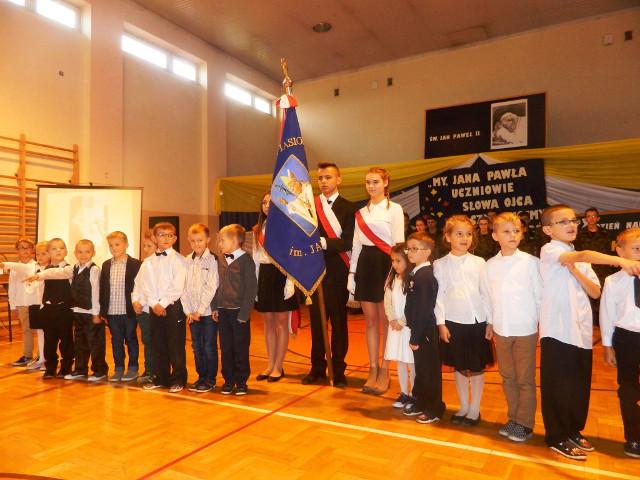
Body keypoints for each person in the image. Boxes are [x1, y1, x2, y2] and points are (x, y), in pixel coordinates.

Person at [539, 204, 640, 460]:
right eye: (563, 221)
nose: (571, 225)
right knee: (558, 385)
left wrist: (575, 271)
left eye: (573, 220)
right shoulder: (551, 250)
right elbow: (583, 255)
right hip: (558, 330)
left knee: (578, 385)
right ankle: (557, 436)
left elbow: (595, 291)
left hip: (581, 332)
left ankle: (572, 430)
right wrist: (620, 260)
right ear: (548, 230)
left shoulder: (577, 258)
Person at [481, 212, 541, 442]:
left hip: (525, 328)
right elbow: (487, 296)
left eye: (516, 231)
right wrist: (490, 321)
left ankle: (525, 423)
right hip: (501, 329)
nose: (513, 235)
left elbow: (540, 296)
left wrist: (540, 324)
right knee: (507, 377)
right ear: (495, 236)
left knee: (524, 378)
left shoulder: (531, 263)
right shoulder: (489, 266)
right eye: (506, 231)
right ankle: (513, 418)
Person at [349, 167, 404, 395]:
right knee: (370, 321)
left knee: (385, 320)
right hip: (365, 264)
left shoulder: (395, 209)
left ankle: (385, 369)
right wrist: (351, 274)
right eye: (368, 182)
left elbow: (398, 244)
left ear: (385, 183)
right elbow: (356, 245)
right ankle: (372, 369)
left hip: (386, 264)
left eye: (375, 182)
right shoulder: (361, 213)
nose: (371, 186)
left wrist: (397, 273)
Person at [434, 215, 492, 427]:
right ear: (448, 237)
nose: (465, 238)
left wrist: (490, 321)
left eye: (468, 234)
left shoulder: (479, 263)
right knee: (458, 366)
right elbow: (438, 296)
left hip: (477, 322)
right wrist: (441, 323)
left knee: (476, 366)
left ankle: (475, 409)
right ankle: (464, 406)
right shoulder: (440, 264)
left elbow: (486, 293)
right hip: (453, 322)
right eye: (459, 234)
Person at [303, 162, 355, 387]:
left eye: (328, 177)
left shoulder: (349, 208)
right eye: (320, 178)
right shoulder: (310, 208)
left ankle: (338, 369)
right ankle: (317, 368)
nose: (323, 181)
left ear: (338, 180)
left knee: (338, 323)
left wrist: (322, 242)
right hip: (314, 272)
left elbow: (347, 242)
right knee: (316, 323)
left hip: (338, 272)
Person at [34, 239, 106, 382]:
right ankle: (80, 369)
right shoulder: (74, 268)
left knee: (94, 343)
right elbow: (55, 273)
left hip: (89, 312)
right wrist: (39, 276)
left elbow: (96, 291)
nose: (83, 255)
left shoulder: (93, 269)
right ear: (75, 253)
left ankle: (99, 370)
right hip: (76, 311)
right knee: (79, 343)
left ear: (93, 253)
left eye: (87, 252)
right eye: (80, 252)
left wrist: (96, 312)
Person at [599, 227, 640, 458]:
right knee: (628, 388)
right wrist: (607, 345)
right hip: (627, 339)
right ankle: (634, 436)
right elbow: (607, 313)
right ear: (620, 252)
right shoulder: (613, 281)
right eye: (636, 249)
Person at [135, 222, 188, 393]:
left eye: (169, 235)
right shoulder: (148, 262)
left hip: (172, 306)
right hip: (154, 307)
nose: (166, 238)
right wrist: (153, 304)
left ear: (175, 238)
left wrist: (163, 303)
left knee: (175, 344)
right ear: (154, 238)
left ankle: (178, 379)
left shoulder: (179, 260)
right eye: (161, 235)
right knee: (157, 344)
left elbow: (177, 286)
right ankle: (161, 378)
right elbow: (143, 284)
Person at [253, 193, 297, 384]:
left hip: (282, 275)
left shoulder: (287, 228)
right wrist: (255, 284)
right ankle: (270, 364)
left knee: (281, 323)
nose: (266, 205)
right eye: (263, 202)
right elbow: (256, 259)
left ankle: (279, 366)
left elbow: (292, 257)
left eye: (270, 202)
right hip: (264, 274)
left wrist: (290, 282)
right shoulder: (258, 229)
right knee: (268, 323)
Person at [403, 233, 446, 424]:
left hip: (425, 331)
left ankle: (434, 408)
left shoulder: (426, 276)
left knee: (429, 371)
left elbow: (424, 309)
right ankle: (421, 401)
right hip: (419, 329)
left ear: (427, 252)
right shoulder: (417, 273)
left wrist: (415, 337)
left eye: (415, 249)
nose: (410, 252)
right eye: (409, 248)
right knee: (421, 369)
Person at [211, 224, 258, 396]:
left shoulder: (246, 261)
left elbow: (251, 288)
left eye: (222, 240)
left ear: (236, 241)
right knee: (226, 348)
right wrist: (215, 306)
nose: (219, 244)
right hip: (223, 311)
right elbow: (216, 285)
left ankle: (241, 381)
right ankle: (229, 380)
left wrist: (244, 313)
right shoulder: (220, 259)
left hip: (239, 313)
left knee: (240, 348)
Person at [100, 231, 142, 383]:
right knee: (116, 341)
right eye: (111, 245)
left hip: (129, 311)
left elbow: (140, 287)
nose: (114, 248)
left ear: (126, 245)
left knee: (131, 339)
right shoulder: (106, 265)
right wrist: (103, 311)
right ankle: (118, 368)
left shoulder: (136, 264)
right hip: (112, 311)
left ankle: (133, 368)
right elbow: (103, 289)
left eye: (117, 244)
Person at [182, 223, 219, 393]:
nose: (196, 244)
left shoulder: (213, 260)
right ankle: (201, 377)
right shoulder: (186, 261)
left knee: (209, 346)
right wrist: (188, 311)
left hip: (207, 312)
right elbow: (183, 288)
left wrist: (200, 310)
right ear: (189, 241)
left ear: (208, 240)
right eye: (193, 241)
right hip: (192, 314)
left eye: (200, 240)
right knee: (197, 347)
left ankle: (210, 379)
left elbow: (211, 287)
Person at [383, 243, 415, 408]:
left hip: (408, 328)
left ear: (408, 260)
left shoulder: (412, 281)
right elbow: (387, 302)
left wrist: (402, 321)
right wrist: (392, 319)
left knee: (411, 362)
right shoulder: (392, 280)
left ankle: (415, 394)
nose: (394, 264)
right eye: (392, 261)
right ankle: (404, 393)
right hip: (395, 328)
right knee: (400, 361)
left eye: (398, 261)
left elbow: (413, 305)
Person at [38, 238, 74, 379]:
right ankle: (50, 367)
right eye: (54, 248)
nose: (58, 250)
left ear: (66, 251)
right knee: (49, 341)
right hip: (48, 310)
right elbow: (41, 289)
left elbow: (60, 274)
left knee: (66, 340)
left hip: (64, 309)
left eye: (61, 248)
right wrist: (42, 306)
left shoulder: (70, 269)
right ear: (48, 253)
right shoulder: (44, 270)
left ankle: (66, 367)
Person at [574, 207, 615, 325]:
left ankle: (602, 323)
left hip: (603, 270)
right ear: (585, 219)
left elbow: (611, 251)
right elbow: (576, 253)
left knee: (603, 297)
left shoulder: (606, 233)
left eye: (593, 216)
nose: (591, 219)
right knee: (587, 296)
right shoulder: (579, 234)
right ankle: (589, 322)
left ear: (598, 218)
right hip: (586, 270)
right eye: (588, 216)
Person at [2, 239, 38, 367]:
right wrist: (13, 305)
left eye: (28, 247)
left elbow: (25, 268)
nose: (25, 250)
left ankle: (41, 357)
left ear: (32, 250)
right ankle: (27, 356)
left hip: (35, 302)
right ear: (17, 250)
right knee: (26, 330)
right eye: (22, 248)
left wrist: (4, 264)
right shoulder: (14, 268)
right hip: (22, 303)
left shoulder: (35, 265)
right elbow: (12, 288)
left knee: (40, 331)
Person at [133, 229, 157, 383]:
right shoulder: (144, 264)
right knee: (147, 341)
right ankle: (149, 369)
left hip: (154, 309)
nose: (145, 249)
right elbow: (137, 285)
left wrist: (142, 302)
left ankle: (156, 371)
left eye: (149, 246)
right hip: (142, 311)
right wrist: (135, 301)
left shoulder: (160, 264)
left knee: (155, 342)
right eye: (144, 246)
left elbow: (153, 289)